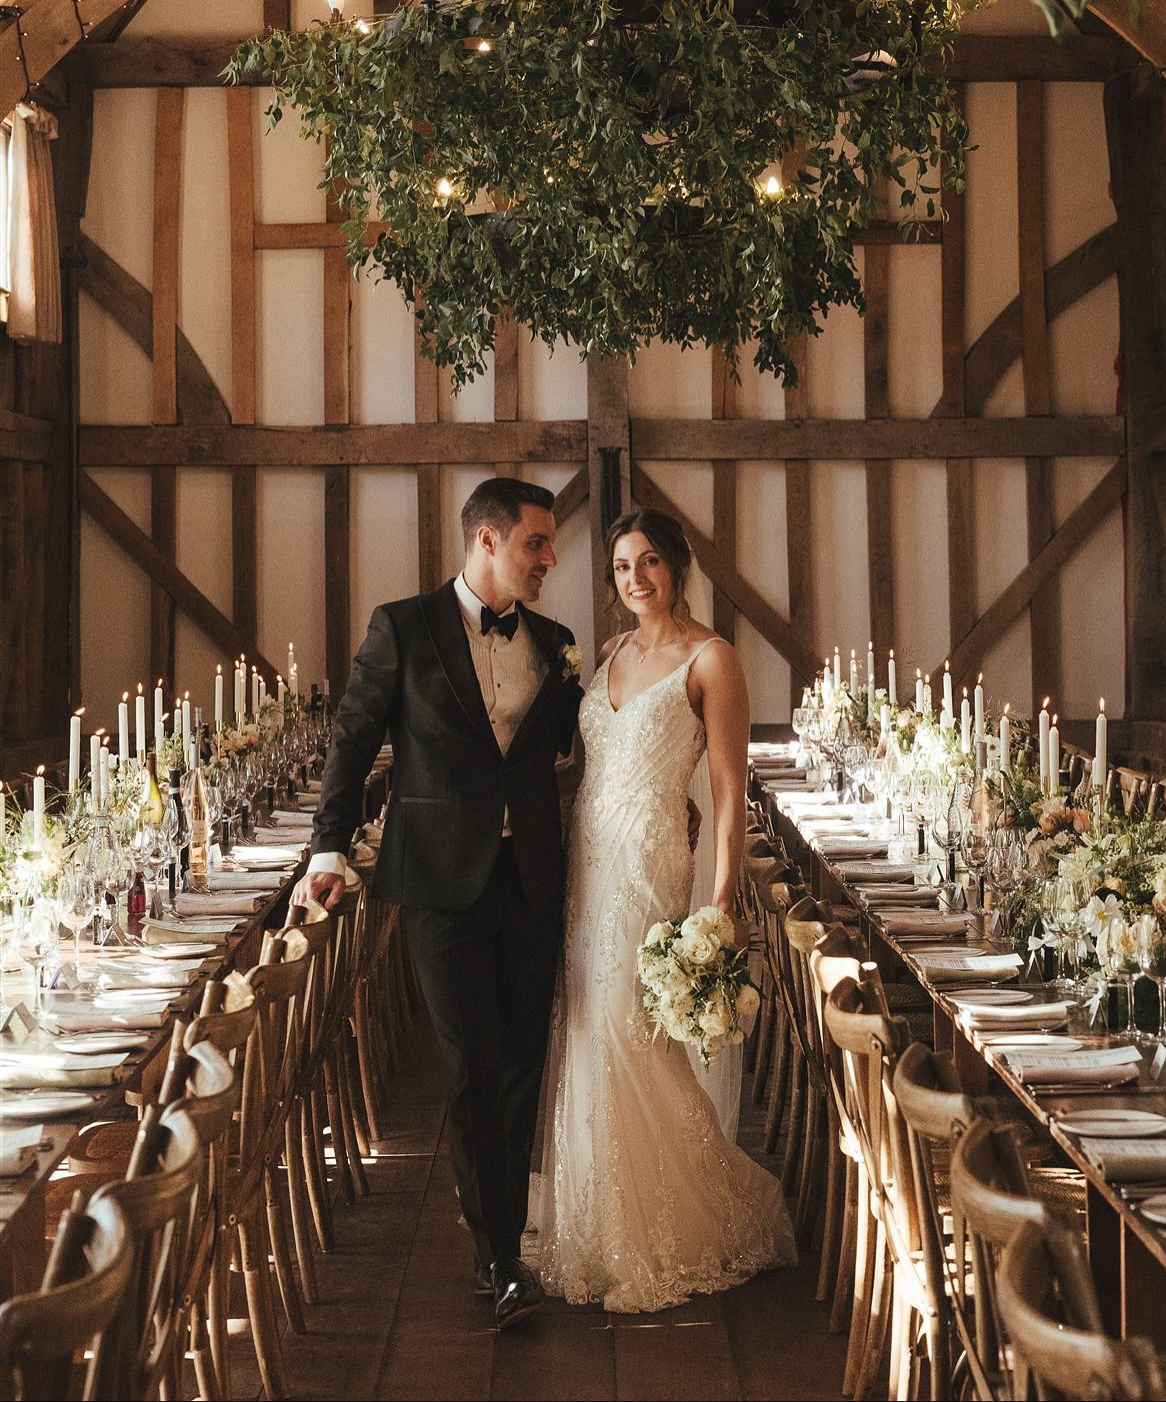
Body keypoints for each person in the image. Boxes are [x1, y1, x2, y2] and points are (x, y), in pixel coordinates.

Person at [294, 478, 583, 1330]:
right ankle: (495, 1255)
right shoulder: (403, 627)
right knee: (470, 1064)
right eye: (537, 542)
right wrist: (328, 845)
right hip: (438, 883)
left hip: (531, 875)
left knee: (525, 1056)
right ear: (487, 541)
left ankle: (507, 1237)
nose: (549, 559)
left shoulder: (559, 643)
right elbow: (353, 739)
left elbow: (580, 745)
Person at [535, 507, 797, 1312]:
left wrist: (719, 900)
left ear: (677, 567)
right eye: (621, 567)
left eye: (649, 562)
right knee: (585, 1018)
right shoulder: (610, 653)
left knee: (629, 1019)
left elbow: (726, 792)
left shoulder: (711, 659)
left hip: (651, 863)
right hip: (589, 855)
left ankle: (675, 1223)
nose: (635, 578)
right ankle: (600, 1225)